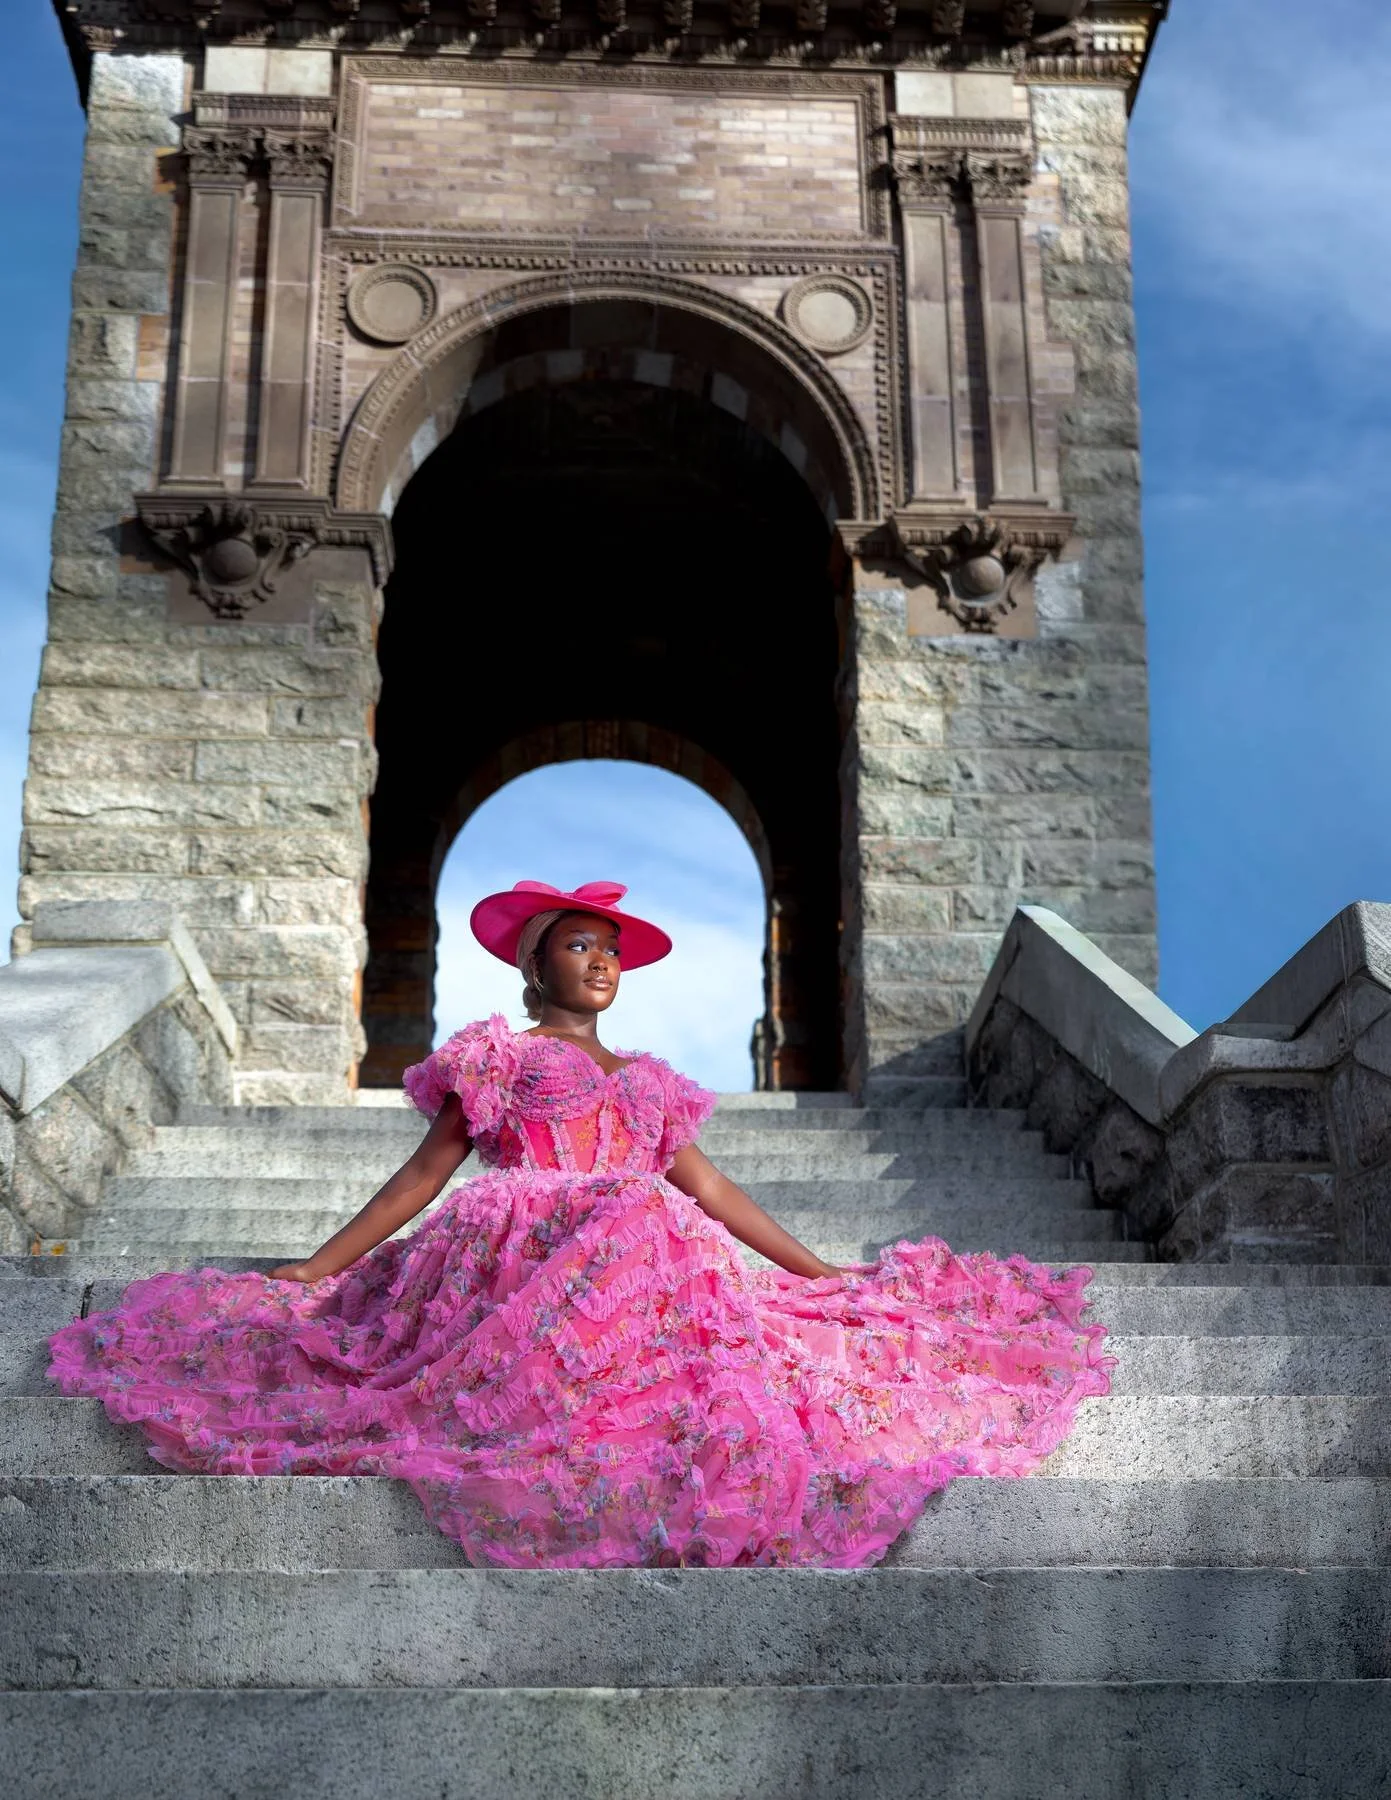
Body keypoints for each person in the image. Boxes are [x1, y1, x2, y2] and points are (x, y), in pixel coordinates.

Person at [49, 878, 1112, 1569]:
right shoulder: (500, 1058)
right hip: (517, 1244)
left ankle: (638, 1387)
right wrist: (318, 1265)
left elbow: (714, 1192)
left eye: (609, 948)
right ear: (534, 966)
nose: (600, 961)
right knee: (629, 1211)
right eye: (577, 946)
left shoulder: (647, 1081)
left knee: (649, 1212)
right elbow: (424, 1174)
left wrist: (818, 1271)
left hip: (634, 1255)